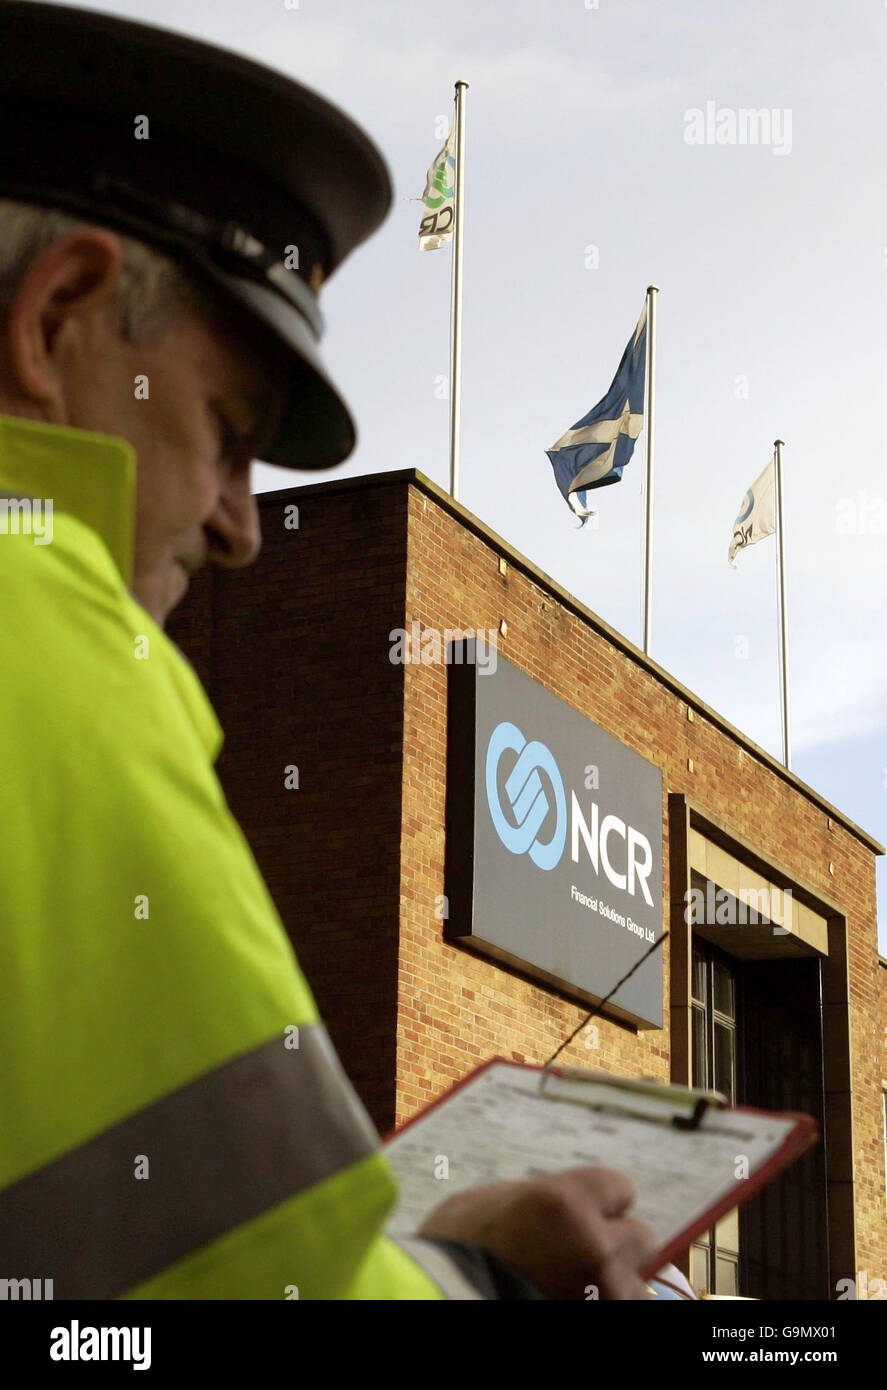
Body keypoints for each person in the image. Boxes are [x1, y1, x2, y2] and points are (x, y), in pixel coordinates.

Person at [0, 2, 659, 1300]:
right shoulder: (46, 623)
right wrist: (486, 1270)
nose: (245, 527)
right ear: (60, 312)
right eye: (230, 432)